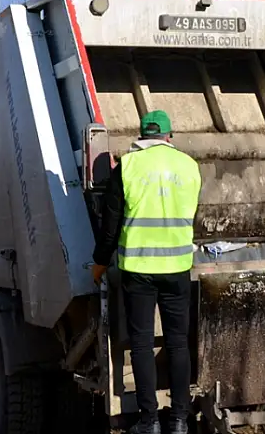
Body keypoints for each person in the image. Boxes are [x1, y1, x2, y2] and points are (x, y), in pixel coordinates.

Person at [91, 110, 201, 434]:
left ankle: (149, 421)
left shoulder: (126, 166)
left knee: (141, 344)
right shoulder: (190, 167)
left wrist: (99, 265)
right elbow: (192, 216)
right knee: (178, 343)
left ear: (141, 136)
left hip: (138, 270)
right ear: (169, 136)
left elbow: (109, 229)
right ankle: (180, 419)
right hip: (178, 268)